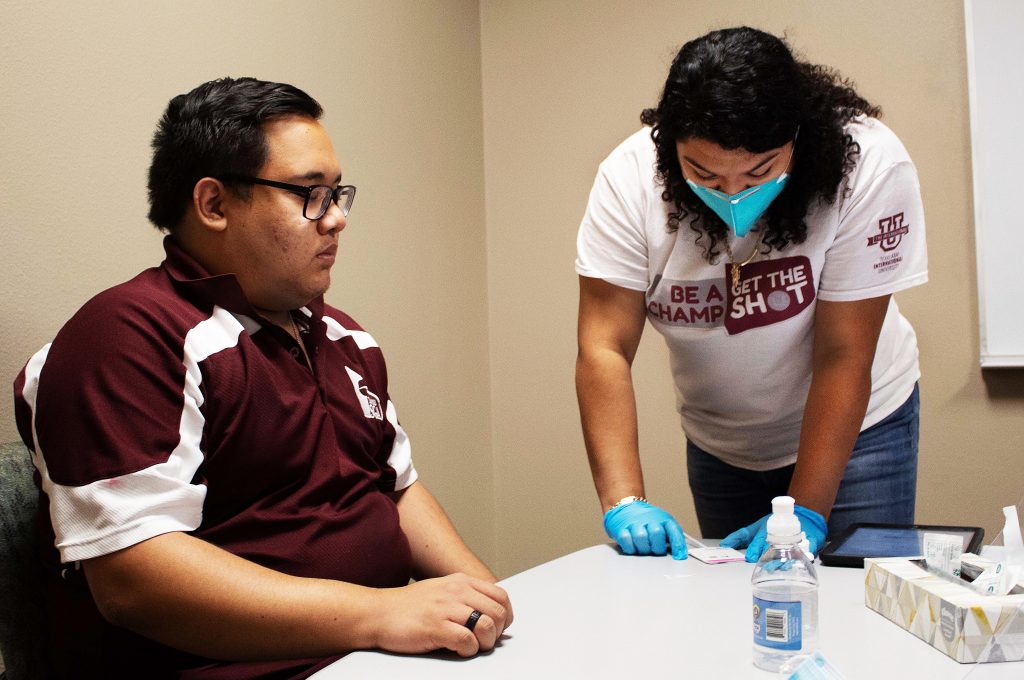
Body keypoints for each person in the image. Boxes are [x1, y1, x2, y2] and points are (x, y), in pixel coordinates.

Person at [13, 77, 511, 679]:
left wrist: (487, 600)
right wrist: (381, 613)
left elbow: (398, 489)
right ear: (214, 205)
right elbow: (132, 581)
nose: (336, 221)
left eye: (338, 194)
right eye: (310, 195)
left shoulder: (345, 339)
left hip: (371, 654)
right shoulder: (128, 335)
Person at [575, 27, 927, 563]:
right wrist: (625, 500)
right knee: (743, 611)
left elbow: (844, 355)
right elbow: (604, 346)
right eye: (706, 175)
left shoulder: (868, 164)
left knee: (854, 601)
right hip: (724, 444)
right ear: (669, 147)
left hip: (862, 434)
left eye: (760, 171)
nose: (734, 194)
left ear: (798, 140)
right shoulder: (629, 181)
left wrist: (806, 510)